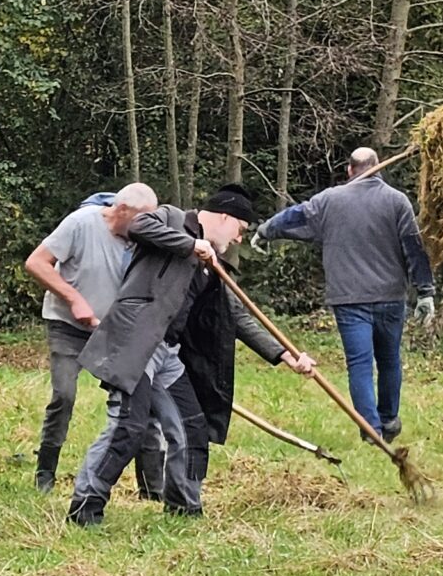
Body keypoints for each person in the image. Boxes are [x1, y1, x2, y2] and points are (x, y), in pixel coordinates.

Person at [69, 184, 316, 526]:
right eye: (241, 230)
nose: (240, 239)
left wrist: (285, 354)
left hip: (168, 354)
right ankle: (85, 508)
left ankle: (184, 507)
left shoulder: (213, 263)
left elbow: (238, 316)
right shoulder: (172, 219)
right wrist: (190, 243)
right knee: (128, 427)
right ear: (225, 216)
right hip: (136, 344)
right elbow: (138, 226)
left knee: (192, 427)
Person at [254, 148, 434, 437]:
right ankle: (388, 420)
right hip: (390, 298)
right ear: (378, 168)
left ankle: (370, 429)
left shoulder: (329, 200)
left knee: (359, 364)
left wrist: (265, 230)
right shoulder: (397, 201)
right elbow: (414, 247)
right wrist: (425, 291)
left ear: (350, 170)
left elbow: (295, 217)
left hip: (349, 300)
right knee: (389, 360)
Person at [23, 183, 167, 494]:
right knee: (64, 395)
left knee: (140, 401)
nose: (148, 227)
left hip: (116, 331)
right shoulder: (81, 223)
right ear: (123, 210)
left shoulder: (142, 239)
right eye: (143, 219)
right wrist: (74, 299)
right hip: (68, 327)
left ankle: (151, 486)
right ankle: (45, 473)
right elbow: (36, 263)